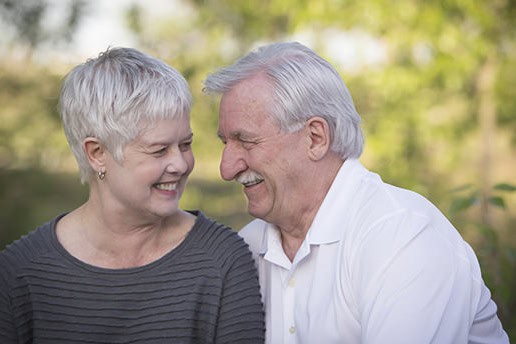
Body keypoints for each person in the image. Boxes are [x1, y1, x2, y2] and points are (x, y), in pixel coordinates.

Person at [203, 41, 509, 343]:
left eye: (247, 141)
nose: (227, 169)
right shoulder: (248, 246)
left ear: (315, 138)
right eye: (224, 143)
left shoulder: (402, 235)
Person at [0, 47, 265, 343]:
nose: (180, 164)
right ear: (97, 153)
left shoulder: (222, 261)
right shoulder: (20, 274)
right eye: (159, 150)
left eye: (186, 144)